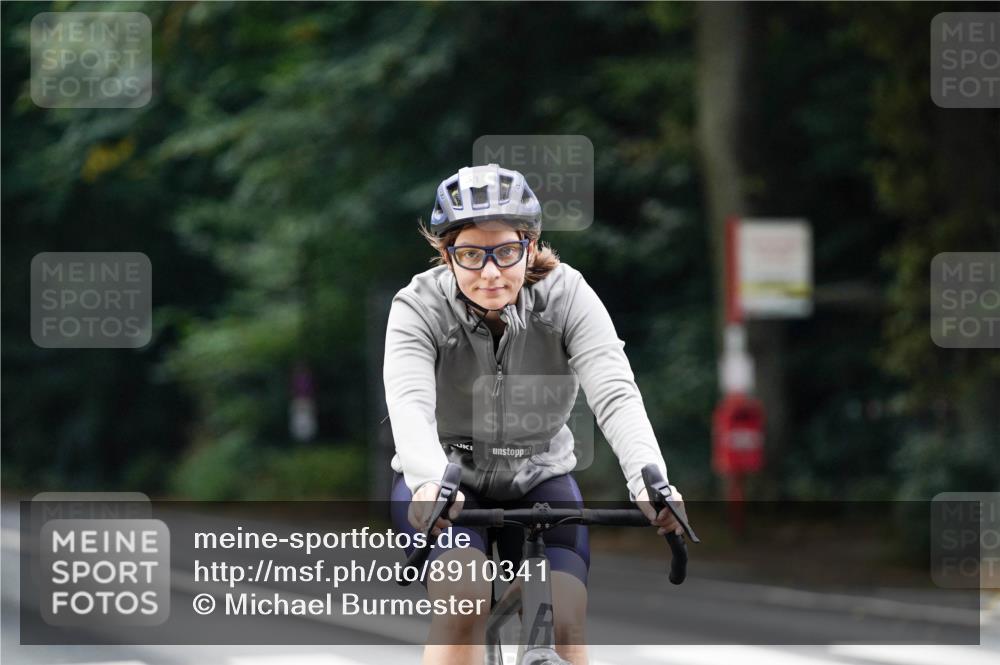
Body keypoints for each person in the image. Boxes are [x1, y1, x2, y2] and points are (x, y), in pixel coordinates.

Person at [385, 164, 685, 665]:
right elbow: (409, 403)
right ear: (446, 254)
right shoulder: (418, 306)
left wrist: (649, 483)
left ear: (530, 244)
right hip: (447, 480)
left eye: (505, 251)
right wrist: (426, 483)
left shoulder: (567, 296)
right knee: (463, 601)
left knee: (565, 621)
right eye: (470, 254)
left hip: (540, 475)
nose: (490, 271)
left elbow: (614, 392)